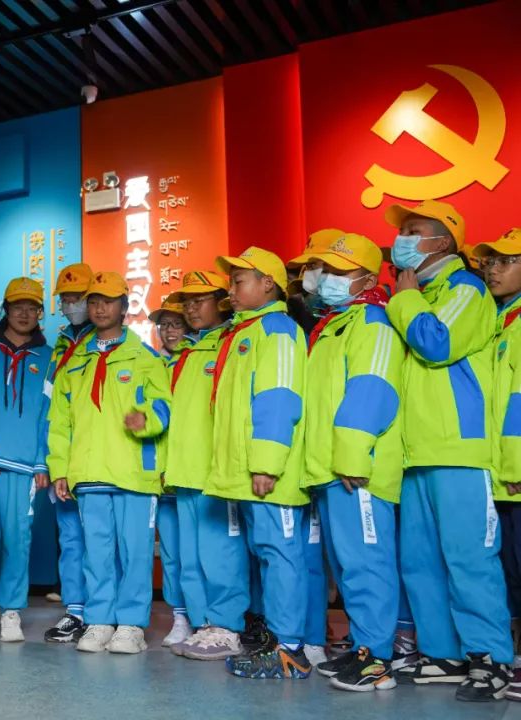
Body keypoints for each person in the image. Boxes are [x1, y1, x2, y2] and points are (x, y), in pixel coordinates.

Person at [383, 199, 513, 701]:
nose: (403, 240)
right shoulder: (424, 293)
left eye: (414, 230)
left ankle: (490, 657)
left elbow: (436, 342)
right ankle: (444, 655)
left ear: (443, 242)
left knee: (469, 559)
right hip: (415, 452)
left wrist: (405, 300)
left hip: (459, 449)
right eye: (403, 231)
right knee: (420, 563)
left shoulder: (465, 289)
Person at [296, 233, 405, 692]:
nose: (327, 279)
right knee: (347, 566)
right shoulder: (334, 325)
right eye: (326, 270)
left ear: (366, 278)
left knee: (367, 564)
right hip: (330, 469)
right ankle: (363, 646)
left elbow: (372, 392)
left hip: (357, 470)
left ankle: (378, 658)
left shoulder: (374, 323)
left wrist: (353, 458)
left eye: (340, 271)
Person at [48, 271, 170, 655]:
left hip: (134, 472)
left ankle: (131, 624)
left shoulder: (146, 358)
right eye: (94, 301)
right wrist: (60, 469)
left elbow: (165, 408)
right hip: (89, 473)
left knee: (135, 552)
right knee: (96, 552)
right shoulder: (74, 362)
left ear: (125, 306)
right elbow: (59, 422)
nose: (100, 308)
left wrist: (144, 420)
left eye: (108, 301)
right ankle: (99, 618)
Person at [208, 247, 312, 679]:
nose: (231, 290)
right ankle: (279, 641)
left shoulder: (278, 330)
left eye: (239, 281)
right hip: (250, 472)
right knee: (267, 554)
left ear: (268, 283)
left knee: (281, 554)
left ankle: (291, 651)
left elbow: (279, 398)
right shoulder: (244, 332)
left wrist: (267, 463)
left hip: (271, 472)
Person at [159, 272, 246, 660]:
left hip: (216, 474)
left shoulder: (232, 343)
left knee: (222, 554)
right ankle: (201, 624)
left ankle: (227, 628)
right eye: (187, 302)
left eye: (200, 300)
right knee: (190, 557)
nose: (192, 309)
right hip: (183, 473)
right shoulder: (185, 354)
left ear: (221, 302)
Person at [0, 278, 53, 642]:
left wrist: (42, 461)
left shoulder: (49, 357)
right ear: (5, 309)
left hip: (25, 466)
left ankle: (11, 611)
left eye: (32, 308)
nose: (24, 313)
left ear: (40, 313)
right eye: (17, 306)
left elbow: (50, 415)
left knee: (17, 539)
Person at [473, 228, 521, 701]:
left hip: (516, 470)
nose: (493, 269)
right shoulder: (501, 320)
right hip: (501, 473)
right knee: (510, 570)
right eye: (490, 261)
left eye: (507, 260)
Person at [42, 263, 93, 643]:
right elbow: (49, 409)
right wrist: (49, 460)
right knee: (71, 539)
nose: (72, 304)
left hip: (97, 460)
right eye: (67, 298)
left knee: (101, 542)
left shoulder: (106, 344)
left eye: (79, 297)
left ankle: (103, 612)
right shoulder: (60, 347)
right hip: (63, 459)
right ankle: (75, 610)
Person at [148, 298, 190, 644]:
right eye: (164, 325)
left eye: (176, 324)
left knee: (200, 552)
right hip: (162, 476)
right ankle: (180, 616)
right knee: (173, 552)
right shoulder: (151, 363)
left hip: (194, 472)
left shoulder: (200, 359)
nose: (170, 331)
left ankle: (209, 618)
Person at [286, 229, 344, 336]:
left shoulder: (364, 312)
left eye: (313, 264)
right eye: (307, 265)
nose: (308, 273)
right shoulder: (299, 312)